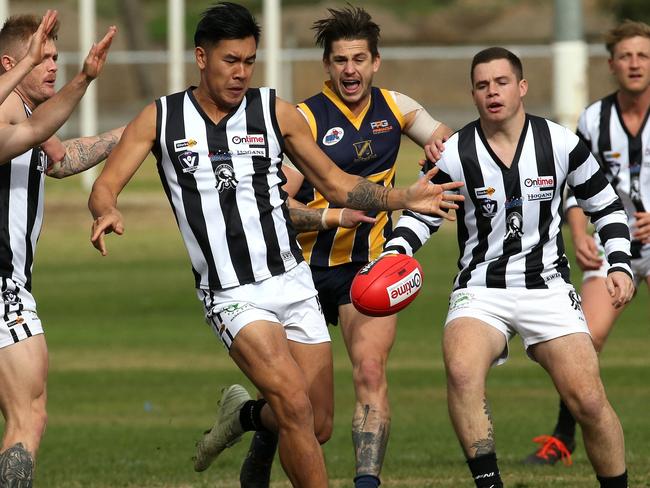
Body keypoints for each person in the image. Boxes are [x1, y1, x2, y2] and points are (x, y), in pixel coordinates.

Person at [87, 3, 463, 488]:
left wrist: (402, 197)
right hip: (232, 292)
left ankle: (241, 416)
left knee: (317, 423)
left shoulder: (274, 112)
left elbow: (337, 183)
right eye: (230, 61)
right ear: (201, 57)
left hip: (292, 279)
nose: (241, 73)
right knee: (293, 403)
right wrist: (106, 210)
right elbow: (105, 185)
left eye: (248, 61)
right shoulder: (161, 118)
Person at [383, 47, 634, 488]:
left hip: (548, 286)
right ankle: (490, 484)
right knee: (461, 369)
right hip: (481, 289)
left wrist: (619, 263)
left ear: (521, 88)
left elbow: (606, 206)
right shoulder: (456, 151)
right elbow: (423, 213)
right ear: (474, 94)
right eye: (482, 85)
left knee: (589, 400)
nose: (492, 92)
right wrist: (395, 252)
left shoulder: (559, 142)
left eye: (501, 83)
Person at [238, 5, 453, 488]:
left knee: (371, 370)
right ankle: (257, 424)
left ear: (376, 61)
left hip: (370, 269)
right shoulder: (305, 120)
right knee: (313, 420)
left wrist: (445, 154)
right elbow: (271, 208)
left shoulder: (398, 108)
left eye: (359, 58)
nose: (350, 69)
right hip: (301, 273)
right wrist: (332, 215)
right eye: (340, 60)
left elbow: (451, 150)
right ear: (327, 66)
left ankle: (366, 483)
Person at [523, 19, 650, 466]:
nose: (635, 64)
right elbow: (576, 185)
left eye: (643, 55)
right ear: (612, 65)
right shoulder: (594, 118)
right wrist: (578, 232)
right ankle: (563, 439)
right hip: (612, 243)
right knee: (586, 337)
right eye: (627, 56)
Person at [0, 11, 117, 486]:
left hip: (11, 283)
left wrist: (133, 135)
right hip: (2, 286)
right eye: (40, 58)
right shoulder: (7, 110)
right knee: (29, 416)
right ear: (11, 63)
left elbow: (63, 157)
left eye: (54, 57)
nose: (51, 65)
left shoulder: (26, 117)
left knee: (27, 412)